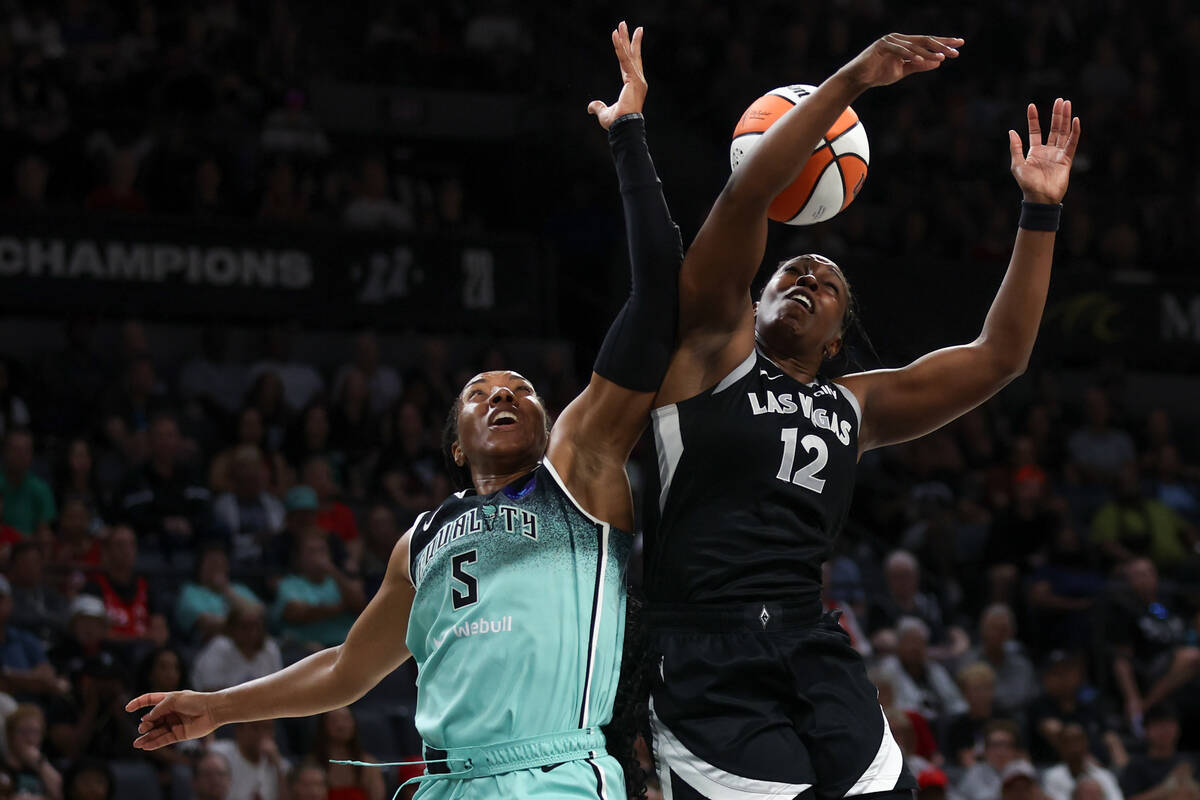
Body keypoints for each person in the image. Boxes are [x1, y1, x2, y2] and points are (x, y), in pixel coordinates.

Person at [127, 22, 683, 800]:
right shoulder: (419, 542)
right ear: (455, 443)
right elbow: (346, 670)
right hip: (444, 785)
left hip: (551, 776)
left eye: (521, 389)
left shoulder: (578, 476)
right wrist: (218, 708)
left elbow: (659, 298)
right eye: (480, 392)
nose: (501, 396)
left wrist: (627, 134)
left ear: (549, 420)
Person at [641, 29, 1079, 800]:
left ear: (838, 333)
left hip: (811, 642)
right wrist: (846, 85)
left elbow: (998, 358)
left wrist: (1039, 214)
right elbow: (746, 198)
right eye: (792, 269)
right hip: (702, 642)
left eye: (830, 281)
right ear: (756, 297)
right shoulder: (708, 351)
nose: (808, 272)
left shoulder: (856, 404)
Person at [310, 707, 385, 800]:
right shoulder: (312, 764)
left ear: (354, 723)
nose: (341, 725)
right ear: (323, 725)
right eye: (334, 720)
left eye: (346, 719)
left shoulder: (369, 764)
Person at [209, 721, 289, 800]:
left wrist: (278, 765)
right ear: (239, 730)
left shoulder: (280, 765)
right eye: (255, 727)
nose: (261, 733)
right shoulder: (218, 754)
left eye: (267, 728)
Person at [1042, 723, 1123, 800]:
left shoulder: (1104, 776)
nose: (1074, 748)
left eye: (1077, 741)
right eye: (1068, 742)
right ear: (1060, 746)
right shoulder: (1052, 777)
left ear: (1086, 743)